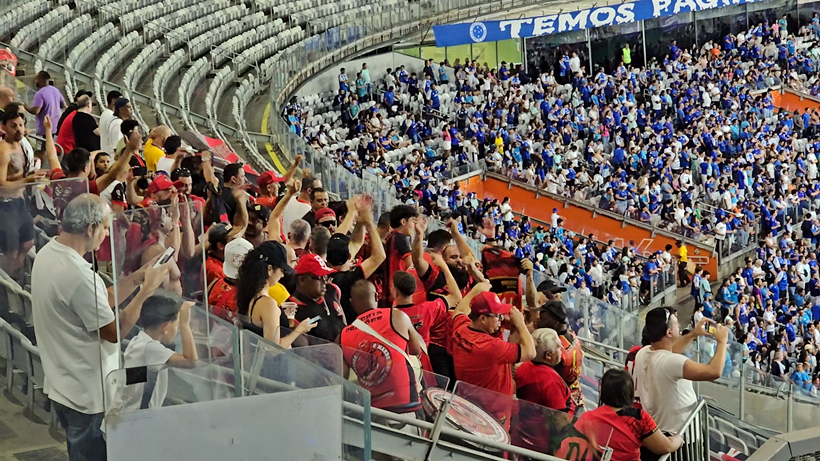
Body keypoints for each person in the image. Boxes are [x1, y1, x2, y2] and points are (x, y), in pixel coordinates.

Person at [31, 194, 170, 461]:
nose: (106, 234)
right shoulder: (79, 276)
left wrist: (137, 279)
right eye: (105, 227)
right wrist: (146, 292)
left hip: (64, 384)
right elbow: (114, 332)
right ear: (90, 228)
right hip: (88, 396)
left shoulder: (48, 253)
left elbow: (98, 302)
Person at [632, 307, 728, 434]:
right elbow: (714, 371)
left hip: (659, 432)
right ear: (669, 332)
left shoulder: (643, 353)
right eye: (676, 323)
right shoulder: (671, 362)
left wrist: (693, 334)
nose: (679, 325)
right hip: (681, 436)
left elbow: (669, 351)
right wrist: (722, 341)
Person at [339, 279, 425, 412]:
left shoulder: (343, 335)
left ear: (351, 302)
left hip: (373, 410)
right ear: (376, 296)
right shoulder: (396, 316)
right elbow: (415, 349)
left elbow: (341, 378)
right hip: (406, 403)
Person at [576, 369, 683, 461]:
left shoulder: (587, 417)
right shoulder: (639, 418)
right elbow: (665, 447)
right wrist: (678, 439)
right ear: (629, 392)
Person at [121, 295, 198, 411]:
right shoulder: (150, 347)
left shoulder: (140, 340)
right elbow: (191, 361)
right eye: (176, 326)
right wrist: (185, 324)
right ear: (165, 327)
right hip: (137, 416)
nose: (177, 330)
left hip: (131, 413)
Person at [236, 241, 316, 346]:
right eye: (281, 270)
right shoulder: (268, 304)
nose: (282, 275)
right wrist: (300, 329)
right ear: (269, 269)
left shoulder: (252, 296)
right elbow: (273, 348)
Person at [0, 110, 49, 274]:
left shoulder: (21, 146)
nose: (19, 129)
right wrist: (28, 180)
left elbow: (21, 174)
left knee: (28, 242)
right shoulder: (3, 151)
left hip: (20, 201)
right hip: (4, 205)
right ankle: (7, 282)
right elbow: (1, 184)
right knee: (11, 250)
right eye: (13, 126)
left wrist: (35, 175)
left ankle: (15, 275)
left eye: (21, 125)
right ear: (3, 128)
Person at [290, 253, 346, 342]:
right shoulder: (292, 310)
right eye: (320, 277)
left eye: (326, 276)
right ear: (302, 280)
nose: (324, 282)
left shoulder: (333, 290)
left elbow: (343, 322)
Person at [24, 71, 65, 138]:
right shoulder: (55, 90)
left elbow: (36, 111)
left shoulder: (40, 93)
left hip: (44, 129)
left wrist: (26, 107)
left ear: (40, 79)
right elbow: (63, 105)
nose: (35, 81)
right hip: (56, 127)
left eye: (36, 79)